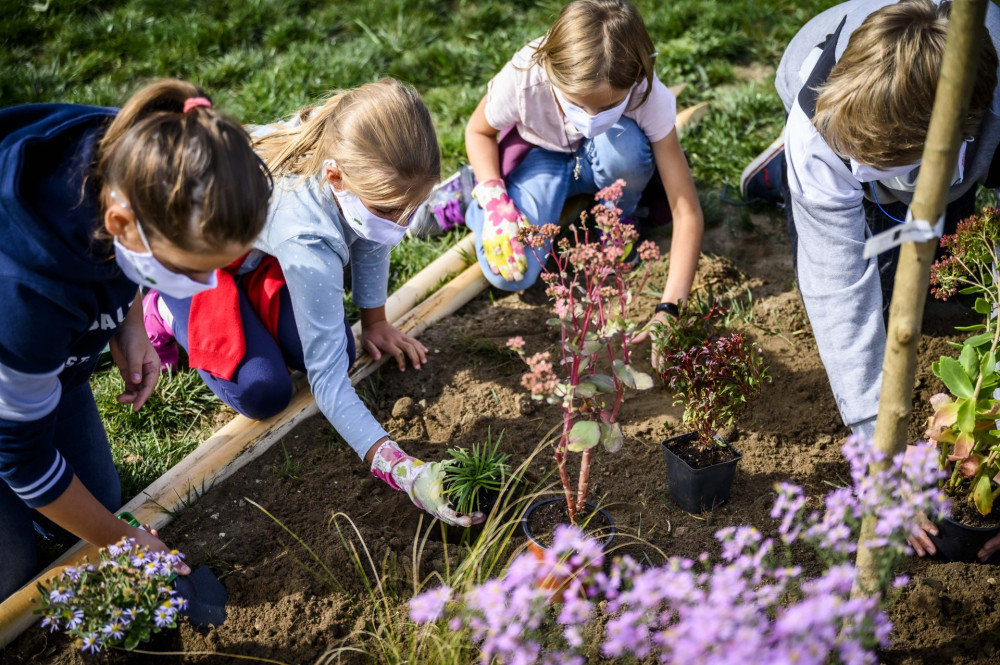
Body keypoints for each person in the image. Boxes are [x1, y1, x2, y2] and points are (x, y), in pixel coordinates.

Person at [146, 79, 481, 529]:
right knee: (263, 390)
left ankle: (250, 291)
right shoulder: (309, 236)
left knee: (341, 351)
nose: (402, 223)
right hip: (190, 260)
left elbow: (372, 233)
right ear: (335, 178)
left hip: (255, 254)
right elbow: (327, 385)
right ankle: (163, 309)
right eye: (389, 210)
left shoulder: (360, 161)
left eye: (412, 207)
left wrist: (375, 322)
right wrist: (405, 470)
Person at [739, 0, 1000, 559]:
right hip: (824, 108)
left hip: (955, 152)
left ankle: (935, 188)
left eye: (872, 162)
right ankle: (782, 172)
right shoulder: (822, 127)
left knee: (944, 237)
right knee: (873, 279)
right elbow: (836, 285)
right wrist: (877, 445)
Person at [0, 79, 273, 600]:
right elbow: (21, 458)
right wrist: (122, 539)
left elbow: (123, 259)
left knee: (96, 498)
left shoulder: (146, 147)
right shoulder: (24, 293)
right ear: (121, 222)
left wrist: (126, 325)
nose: (206, 285)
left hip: (33, 362)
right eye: (189, 270)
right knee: (9, 575)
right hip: (15, 340)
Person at [463, 0, 703, 326]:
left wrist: (670, 308)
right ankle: (473, 189)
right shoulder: (525, 77)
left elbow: (686, 209)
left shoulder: (647, 94)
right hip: (540, 155)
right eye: (576, 104)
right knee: (511, 276)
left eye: (609, 106)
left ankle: (617, 219)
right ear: (549, 69)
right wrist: (493, 197)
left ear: (635, 77)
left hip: (609, 154)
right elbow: (478, 131)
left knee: (629, 151)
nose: (590, 120)